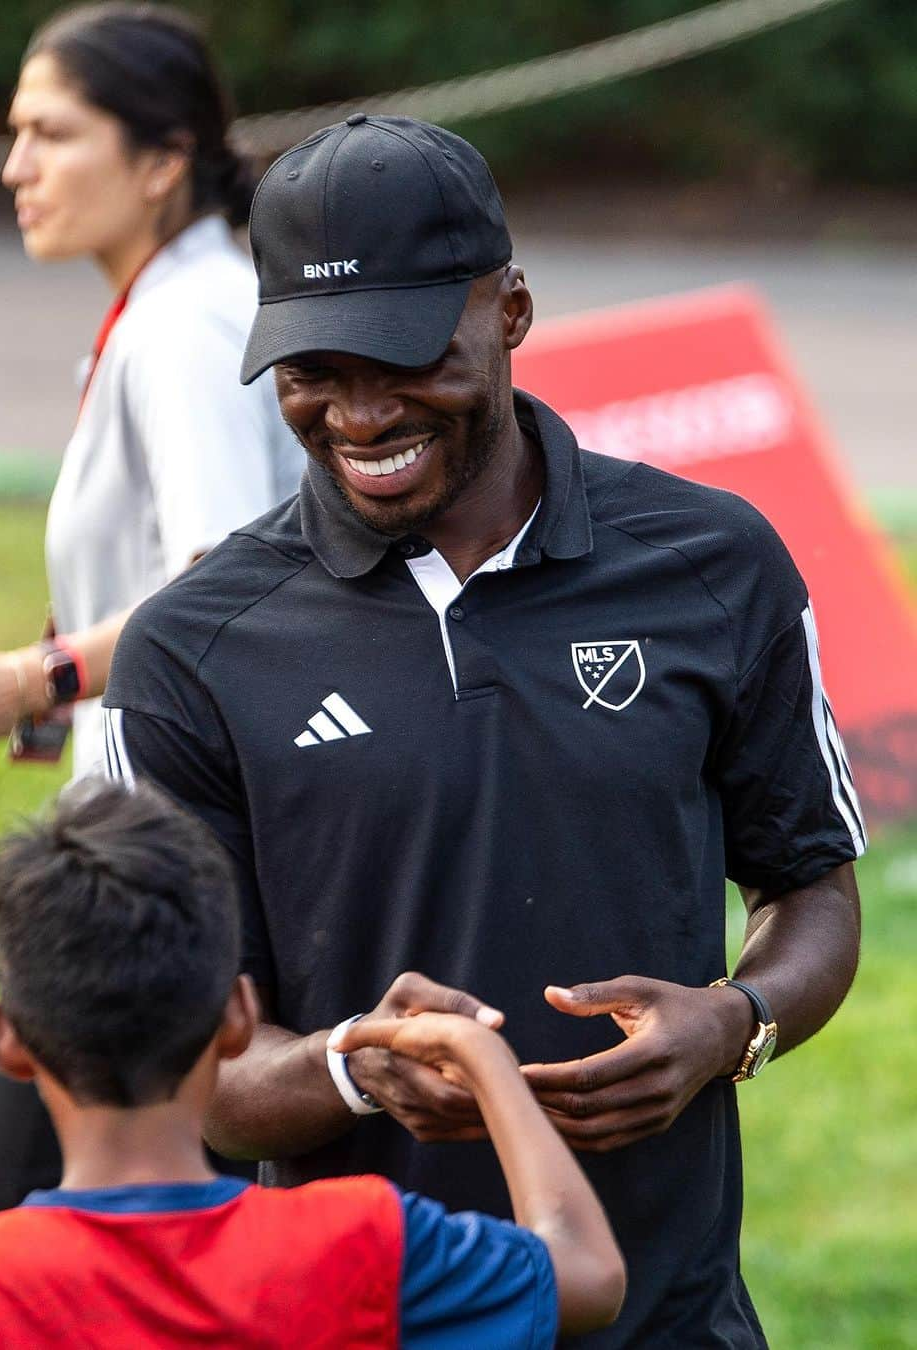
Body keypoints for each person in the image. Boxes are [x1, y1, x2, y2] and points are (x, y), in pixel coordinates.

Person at [102, 115, 867, 1347]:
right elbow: (190, 1074)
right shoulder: (191, 651)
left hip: (670, 1322)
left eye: (403, 358)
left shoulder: (715, 565)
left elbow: (811, 887)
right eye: (312, 370)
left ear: (508, 311)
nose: (357, 415)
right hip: (353, 1324)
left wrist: (736, 1021)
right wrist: (352, 1065)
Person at [0, 2, 302, 1222]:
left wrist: (30, 680)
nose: (13, 166)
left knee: (1, 1256)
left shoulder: (186, 327)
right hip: (162, 844)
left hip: (174, 867)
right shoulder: (169, 307)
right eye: (12, 132)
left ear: (160, 160)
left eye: (51, 133)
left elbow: (225, 596)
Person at [0, 780, 626, 1347]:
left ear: (6, 1040)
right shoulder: (360, 1243)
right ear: (239, 1017)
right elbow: (587, 1274)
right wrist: (483, 1057)